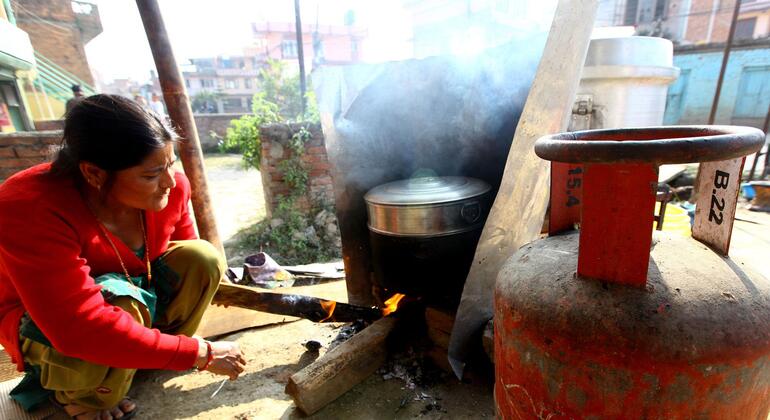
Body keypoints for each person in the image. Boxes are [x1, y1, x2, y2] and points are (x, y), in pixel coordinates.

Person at [0, 94, 246, 419]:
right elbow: (76, 324)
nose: (170, 182)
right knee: (122, 304)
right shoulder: (29, 207)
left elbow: (189, 265)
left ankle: (139, 359)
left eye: (170, 165)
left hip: (132, 305)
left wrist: (178, 348)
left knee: (203, 257)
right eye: (151, 175)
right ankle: (83, 395)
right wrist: (199, 353)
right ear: (94, 174)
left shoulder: (173, 189)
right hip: (53, 324)